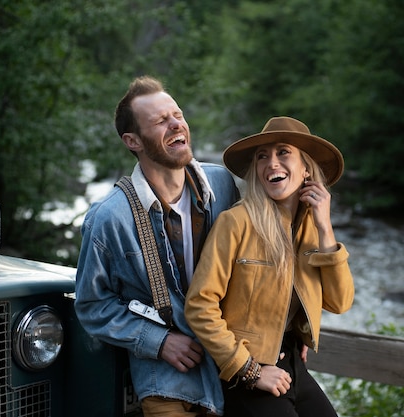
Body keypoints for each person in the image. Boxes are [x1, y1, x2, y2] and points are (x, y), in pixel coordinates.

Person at [74, 75, 240, 417]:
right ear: (133, 140)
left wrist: (291, 327)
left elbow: (252, 263)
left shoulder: (222, 184)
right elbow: (92, 305)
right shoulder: (109, 218)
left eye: (177, 115)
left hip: (231, 362)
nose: (176, 124)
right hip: (167, 380)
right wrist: (158, 342)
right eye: (160, 121)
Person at [185, 116, 354, 417]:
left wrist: (326, 227)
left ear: (305, 169)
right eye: (262, 156)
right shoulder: (235, 223)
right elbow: (200, 306)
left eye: (283, 152)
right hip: (246, 373)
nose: (271, 163)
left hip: (292, 365)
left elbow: (339, 302)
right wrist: (250, 370)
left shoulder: (312, 229)